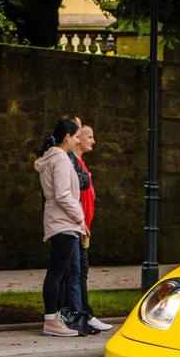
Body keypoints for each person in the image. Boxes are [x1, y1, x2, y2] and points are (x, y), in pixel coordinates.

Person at [34, 117, 90, 337]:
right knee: (57, 273)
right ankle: (51, 320)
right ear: (67, 137)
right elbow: (63, 194)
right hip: (63, 222)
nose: (78, 141)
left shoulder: (53, 158)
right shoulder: (61, 160)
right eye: (76, 137)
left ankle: (55, 317)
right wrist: (80, 218)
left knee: (59, 272)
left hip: (60, 221)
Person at [72, 123, 111, 333]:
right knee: (79, 272)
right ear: (78, 139)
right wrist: (81, 224)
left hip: (84, 226)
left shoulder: (80, 164)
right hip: (80, 227)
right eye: (89, 137)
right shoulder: (74, 164)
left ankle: (85, 313)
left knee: (81, 272)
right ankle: (85, 314)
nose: (93, 141)